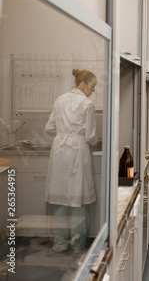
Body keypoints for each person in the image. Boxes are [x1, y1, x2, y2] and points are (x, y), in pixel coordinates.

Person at [45, 68, 98, 253]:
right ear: (83, 84)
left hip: (60, 149)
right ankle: (78, 245)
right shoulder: (87, 104)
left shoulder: (60, 99)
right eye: (92, 86)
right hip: (77, 150)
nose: (93, 90)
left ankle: (59, 245)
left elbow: (49, 127)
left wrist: (62, 133)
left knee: (58, 201)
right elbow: (90, 136)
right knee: (78, 201)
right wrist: (92, 140)